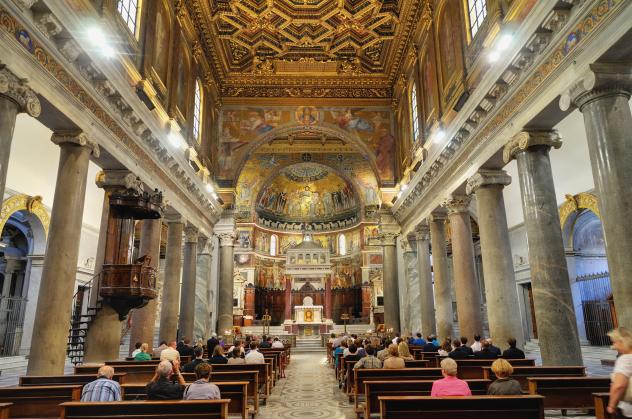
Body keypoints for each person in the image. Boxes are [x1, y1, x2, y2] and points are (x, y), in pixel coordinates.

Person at [607, 327, 632, 417]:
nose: (613, 346)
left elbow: (619, 386)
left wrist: (611, 405)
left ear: (622, 341)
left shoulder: (625, 359)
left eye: (614, 342)